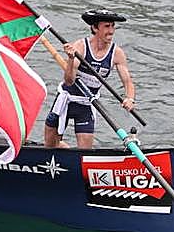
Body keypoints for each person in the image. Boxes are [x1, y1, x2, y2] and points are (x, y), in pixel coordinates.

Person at [43, 9, 137, 149]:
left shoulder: (117, 53)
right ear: (94, 28)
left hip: (86, 104)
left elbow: (127, 81)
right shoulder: (80, 47)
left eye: (112, 26)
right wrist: (70, 59)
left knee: (85, 152)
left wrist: (129, 98)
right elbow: (69, 81)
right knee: (50, 147)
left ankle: (73, 162)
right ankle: (63, 154)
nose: (111, 31)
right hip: (66, 100)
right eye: (106, 26)